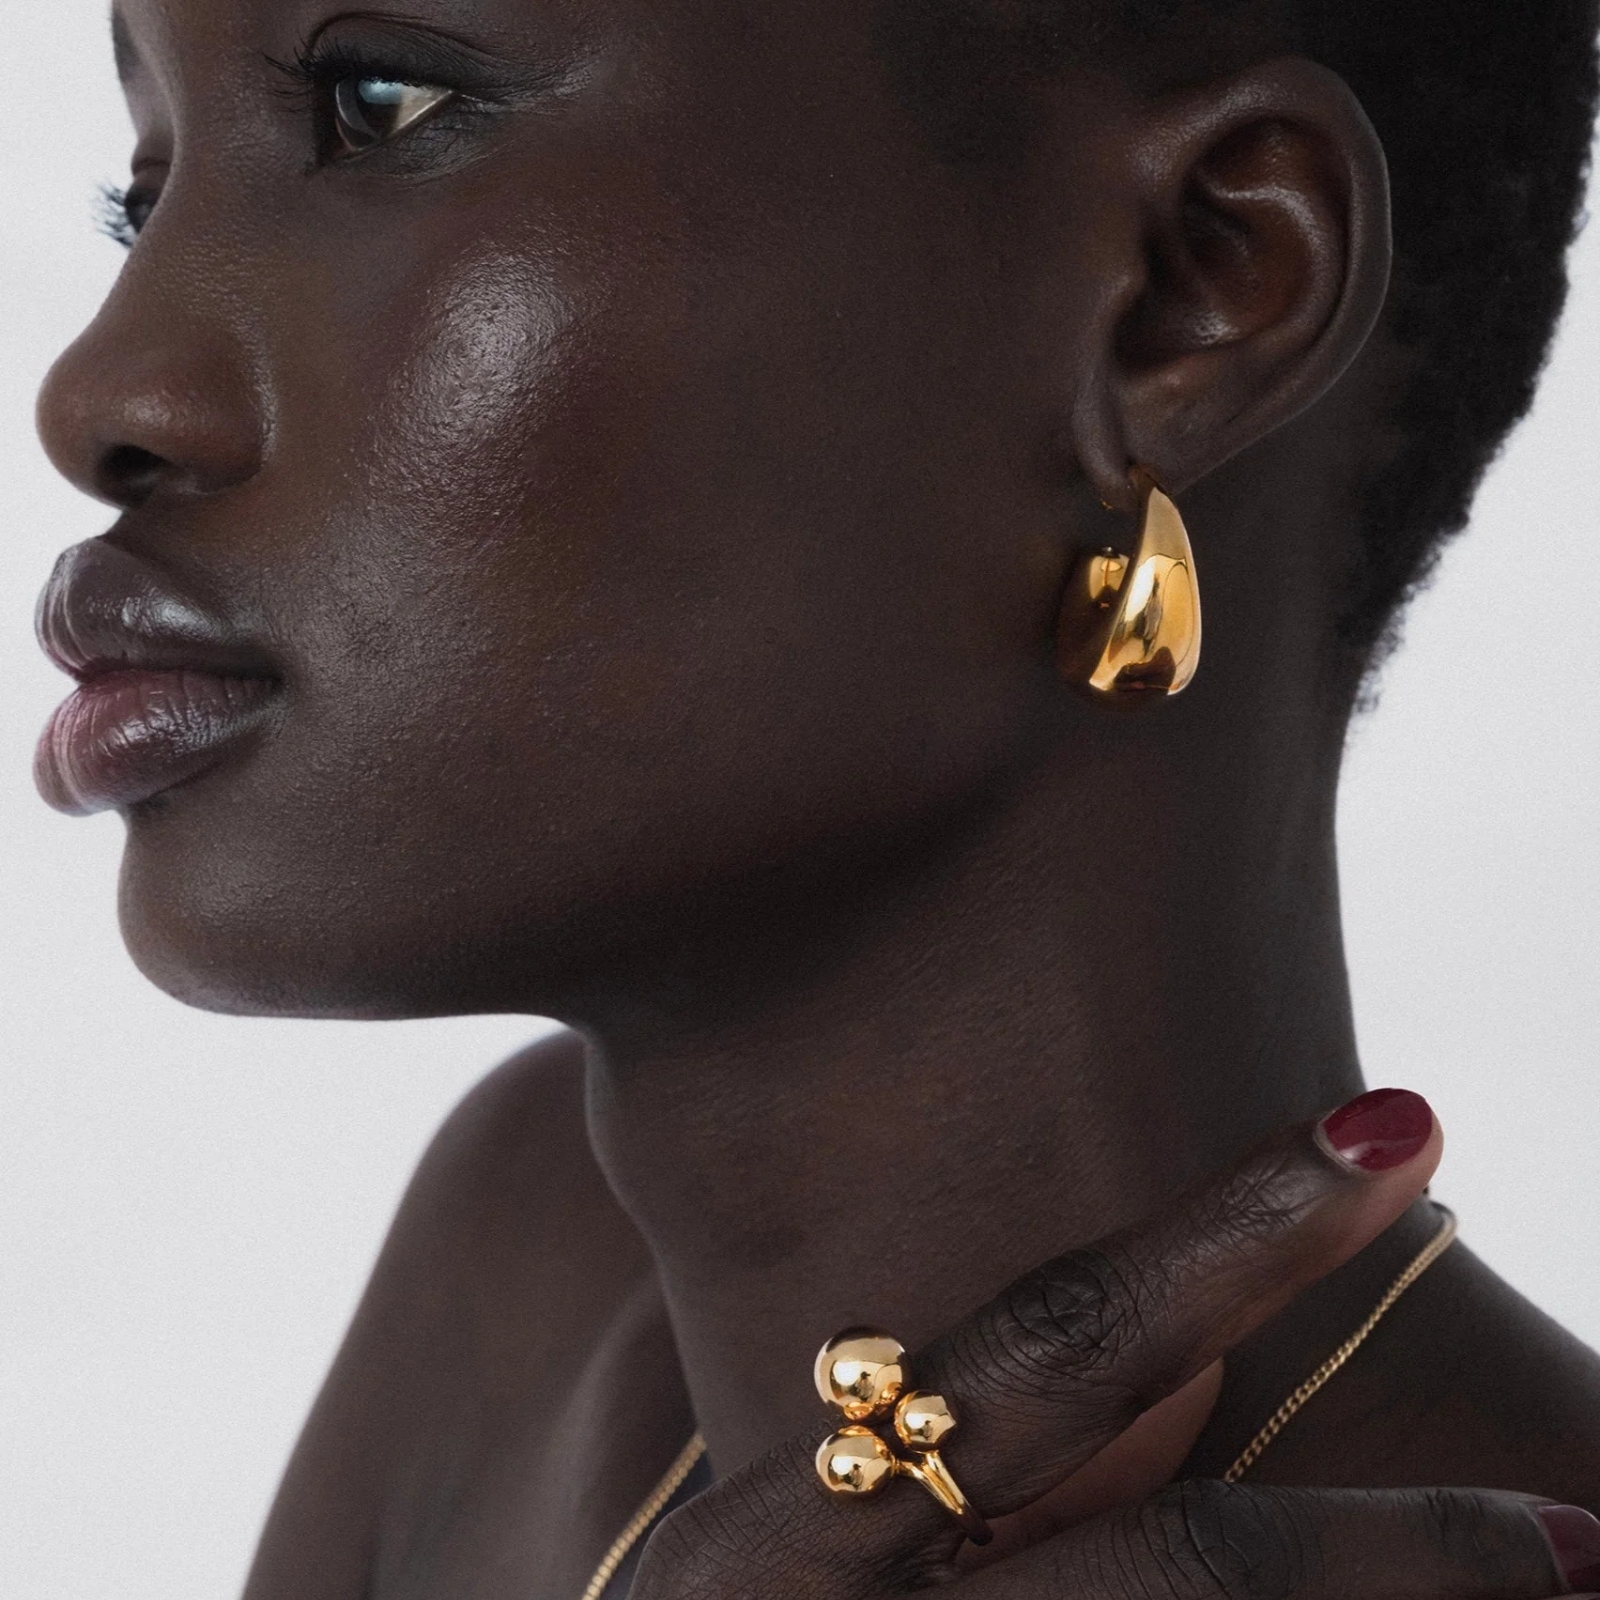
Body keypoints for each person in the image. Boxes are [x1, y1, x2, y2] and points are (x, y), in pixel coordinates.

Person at [29, 0, 1600, 1595]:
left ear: (1185, 293)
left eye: (380, 107)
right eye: (142, 199)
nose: (97, 397)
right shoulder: (529, 1276)